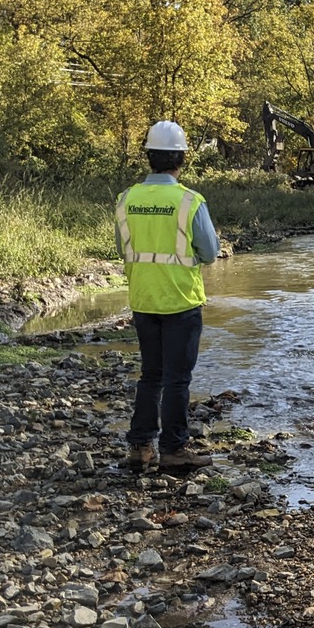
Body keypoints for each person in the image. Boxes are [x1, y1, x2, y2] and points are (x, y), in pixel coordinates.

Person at [115, 120, 220, 471]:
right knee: (177, 379)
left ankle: (140, 447)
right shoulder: (189, 200)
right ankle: (174, 449)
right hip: (180, 300)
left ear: (149, 157)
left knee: (151, 375)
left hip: (143, 298)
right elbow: (209, 252)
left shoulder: (127, 199)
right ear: (181, 158)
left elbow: (123, 248)